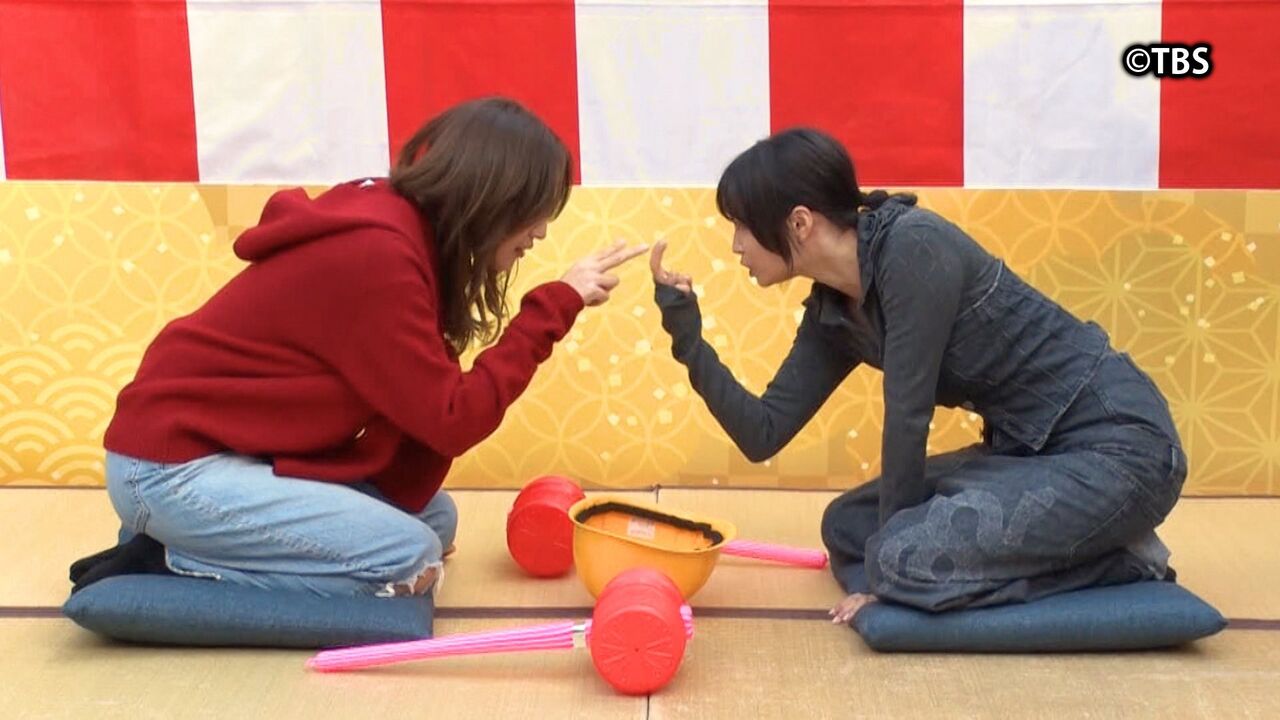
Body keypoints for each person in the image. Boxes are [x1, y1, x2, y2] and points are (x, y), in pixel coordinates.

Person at [70, 97, 647, 598]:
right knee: (410, 558)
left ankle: (199, 541)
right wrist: (553, 308)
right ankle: (171, 562)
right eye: (536, 212)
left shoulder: (403, 229)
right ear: (494, 196)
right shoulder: (381, 256)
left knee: (433, 518)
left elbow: (422, 414)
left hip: (226, 456)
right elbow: (452, 418)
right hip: (170, 471)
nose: (541, 232)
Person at [649, 127, 1186, 622]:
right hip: (1030, 455)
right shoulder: (834, 312)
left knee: (896, 557)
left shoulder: (914, 247)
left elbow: (908, 415)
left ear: (800, 222)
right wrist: (687, 336)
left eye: (743, 226)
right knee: (846, 526)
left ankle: (1124, 559)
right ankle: (1081, 544)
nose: (737, 245)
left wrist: (888, 575)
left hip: (1121, 448)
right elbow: (762, 433)